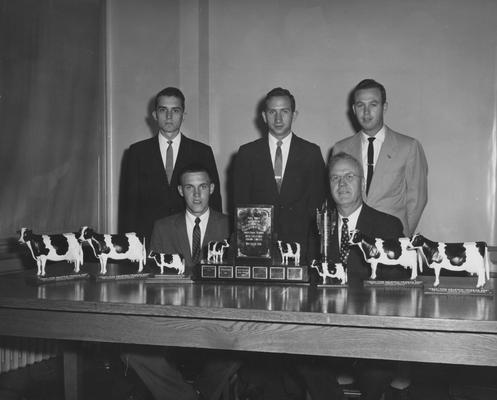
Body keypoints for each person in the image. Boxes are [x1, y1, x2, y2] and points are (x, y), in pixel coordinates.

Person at [123, 165, 239, 400]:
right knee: (130, 351)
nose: (197, 195)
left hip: (216, 327)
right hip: (172, 327)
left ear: (212, 189)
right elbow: (153, 284)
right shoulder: (163, 227)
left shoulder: (232, 227)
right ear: (180, 190)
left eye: (203, 187)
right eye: (189, 187)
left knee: (244, 347)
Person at [296, 152, 404, 400]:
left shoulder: (388, 226)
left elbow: (396, 287)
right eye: (335, 178)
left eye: (349, 177)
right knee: (300, 358)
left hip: (371, 333)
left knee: (378, 372)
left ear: (362, 183)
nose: (342, 184)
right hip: (326, 332)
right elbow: (310, 280)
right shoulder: (317, 225)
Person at [233, 87, 327, 262]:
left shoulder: (311, 153)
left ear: (294, 115)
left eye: (284, 111)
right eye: (272, 112)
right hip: (258, 248)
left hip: (300, 249)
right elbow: (241, 208)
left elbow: (317, 208)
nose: (278, 118)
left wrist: (314, 253)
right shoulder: (247, 153)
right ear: (263, 116)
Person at [120, 87, 222, 243]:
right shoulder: (137, 152)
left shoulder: (202, 152)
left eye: (175, 110)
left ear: (183, 115)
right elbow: (129, 206)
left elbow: (214, 202)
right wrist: (130, 247)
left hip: (191, 240)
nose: (168, 116)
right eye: (163, 110)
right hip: (148, 240)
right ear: (154, 115)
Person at [332, 79, 428, 236]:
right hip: (352, 238)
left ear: (384, 107)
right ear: (354, 109)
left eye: (373, 104)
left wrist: (402, 235)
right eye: (361, 105)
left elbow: (417, 199)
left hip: (392, 237)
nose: (366, 112)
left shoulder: (409, 147)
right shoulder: (340, 148)